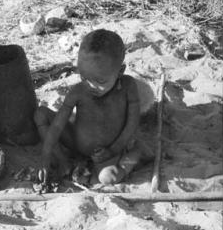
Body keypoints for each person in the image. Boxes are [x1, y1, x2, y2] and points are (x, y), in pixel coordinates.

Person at [35, 29, 142, 185]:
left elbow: (132, 123)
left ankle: (134, 156)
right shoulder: (78, 91)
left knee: (108, 178)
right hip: (76, 143)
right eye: (84, 77)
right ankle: (63, 160)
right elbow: (58, 125)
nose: (91, 85)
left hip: (109, 150)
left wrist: (113, 150)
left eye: (100, 81)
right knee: (40, 114)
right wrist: (46, 155)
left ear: (120, 71)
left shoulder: (127, 87)